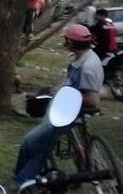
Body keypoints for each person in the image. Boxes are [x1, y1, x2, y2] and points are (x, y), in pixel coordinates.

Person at [13, 24, 105, 184]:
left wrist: (63, 97)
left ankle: (23, 180)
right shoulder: (83, 57)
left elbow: (92, 99)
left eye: (65, 39)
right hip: (64, 104)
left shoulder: (88, 67)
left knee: (32, 142)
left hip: (69, 111)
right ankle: (23, 175)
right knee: (42, 143)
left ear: (70, 41)